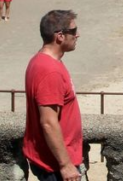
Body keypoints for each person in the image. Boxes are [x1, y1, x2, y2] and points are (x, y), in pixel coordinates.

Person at [24, 10, 84, 181]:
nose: (77, 35)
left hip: (53, 161)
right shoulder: (50, 71)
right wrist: (66, 165)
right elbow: (48, 122)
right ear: (60, 36)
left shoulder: (42, 61)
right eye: (73, 31)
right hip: (55, 165)